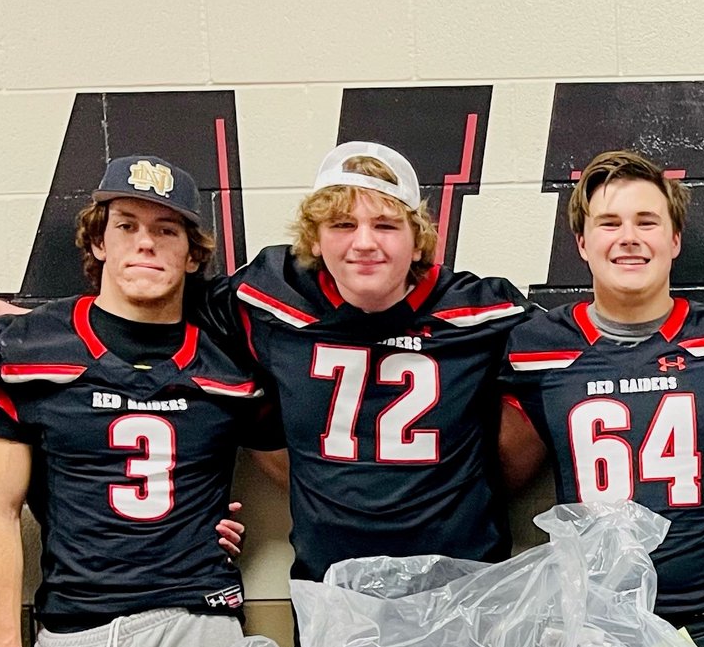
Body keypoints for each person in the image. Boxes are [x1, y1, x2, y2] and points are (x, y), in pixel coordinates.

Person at [0, 157, 281, 647]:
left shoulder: (229, 359)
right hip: (83, 633)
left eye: (166, 229)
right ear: (98, 242)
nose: (146, 243)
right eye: (127, 226)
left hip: (202, 625)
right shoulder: (31, 350)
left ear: (192, 252)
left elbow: (300, 475)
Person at [502, 149, 704, 647]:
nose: (628, 238)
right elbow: (492, 476)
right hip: (595, 628)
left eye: (646, 222)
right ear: (581, 242)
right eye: (609, 223)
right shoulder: (536, 346)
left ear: (675, 239)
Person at [207, 143, 538, 583]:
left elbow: (572, 367)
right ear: (314, 239)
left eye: (385, 225)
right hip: (331, 591)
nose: (364, 242)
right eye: (343, 224)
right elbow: (169, 340)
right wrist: (186, 514)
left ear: (418, 242)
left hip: (463, 592)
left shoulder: (483, 313)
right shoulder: (266, 299)